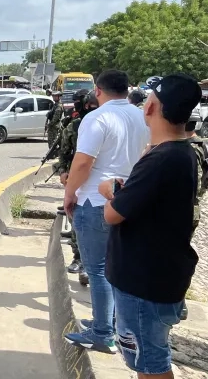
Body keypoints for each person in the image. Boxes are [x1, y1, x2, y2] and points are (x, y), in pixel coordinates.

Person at [99, 74, 201, 379]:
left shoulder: (163, 158)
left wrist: (109, 191)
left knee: (151, 363)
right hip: (154, 277)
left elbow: (112, 214)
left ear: (151, 107)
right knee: (146, 359)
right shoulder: (177, 152)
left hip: (145, 283)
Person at [64, 70, 149, 354]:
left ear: (98, 91)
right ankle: (109, 322)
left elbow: (83, 164)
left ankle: (102, 334)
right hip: (127, 200)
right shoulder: (141, 117)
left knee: (98, 270)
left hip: (94, 201)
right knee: (117, 268)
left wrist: (69, 195)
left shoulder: (96, 118)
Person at [54, 90, 98, 285]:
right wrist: (64, 171)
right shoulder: (75, 126)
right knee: (77, 223)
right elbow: (64, 152)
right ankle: (79, 257)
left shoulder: (105, 125)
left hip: (101, 183)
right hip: (78, 179)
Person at [181, 109, 208, 321]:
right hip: (193, 210)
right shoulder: (203, 146)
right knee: (181, 254)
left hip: (178, 211)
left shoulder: (183, 150)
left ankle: (175, 301)